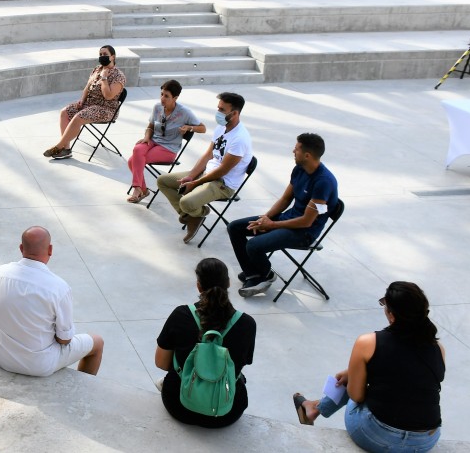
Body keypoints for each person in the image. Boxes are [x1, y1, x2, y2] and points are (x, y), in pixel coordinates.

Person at [293, 281, 444, 453]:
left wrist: (356, 373)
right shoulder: (438, 348)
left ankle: (314, 409)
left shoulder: (368, 342)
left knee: (356, 379)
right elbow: (411, 376)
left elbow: (356, 396)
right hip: (425, 440)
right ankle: (314, 407)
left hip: (378, 436)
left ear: (392, 315)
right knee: (363, 374)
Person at [0, 226, 104, 377]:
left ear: (21, 248)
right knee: (97, 342)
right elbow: (64, 340)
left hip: (0, 355)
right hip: (38, 365)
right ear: (50, 250)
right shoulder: (59, 288)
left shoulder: (0, 272)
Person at [229, 133, 339, 297]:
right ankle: (254, 273)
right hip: (288, 220)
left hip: (304, 232)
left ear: (307, 155)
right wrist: (265, 218)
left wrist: (272, 225)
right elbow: (286, 199)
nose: (293, 151)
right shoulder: (299, 169)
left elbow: (307, 221)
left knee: (253, 245)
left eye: (296, 149)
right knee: (235, 228)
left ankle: (265, 275)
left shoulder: (324, 182)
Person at [154, 258, 257, 428]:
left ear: (198, 286)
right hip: (226, 413)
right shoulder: (247, 324)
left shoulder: (181, 314)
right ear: (229, 283)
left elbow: (161, 363)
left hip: (179, 405)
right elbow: (240, 365)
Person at [157, 92, 254, 245]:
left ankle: (196, 212)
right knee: (163, 181)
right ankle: (193, 216)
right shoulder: (221, 128)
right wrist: (191, 176)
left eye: (222, 110)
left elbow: (222, 171)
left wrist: (195, 183)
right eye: (218, 108)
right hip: (207, 173)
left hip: (222, 183)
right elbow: (208, 154)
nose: (218, 113)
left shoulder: (240, 139)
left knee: (186, 202)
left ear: (234, 113)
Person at [127, 80, 205, 204]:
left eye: (166, 96)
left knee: (133, 161)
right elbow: (150, 126)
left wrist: (189, 128)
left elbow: (203, 128)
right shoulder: (157, 107)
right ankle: (141, 189)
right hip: (153, 141)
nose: (162, 98)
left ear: (175, 98)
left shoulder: (185, 112)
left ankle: (139, 190)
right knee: (137, 149)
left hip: (168, 148)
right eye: (162, 94)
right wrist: (147, 137)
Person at [44, 45, 127, 160]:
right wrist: (82, 100)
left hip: (106, 109)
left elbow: (108, 96)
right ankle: (66, 149)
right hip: (89, 104)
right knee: (65, 112)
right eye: (100, 54)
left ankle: (59, 146)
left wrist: (104, 78)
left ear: (112, 57)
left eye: (105, 54)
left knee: (78, 117)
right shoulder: (97, 69)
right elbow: (87, 87)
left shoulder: (119, 76)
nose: (102, 56)